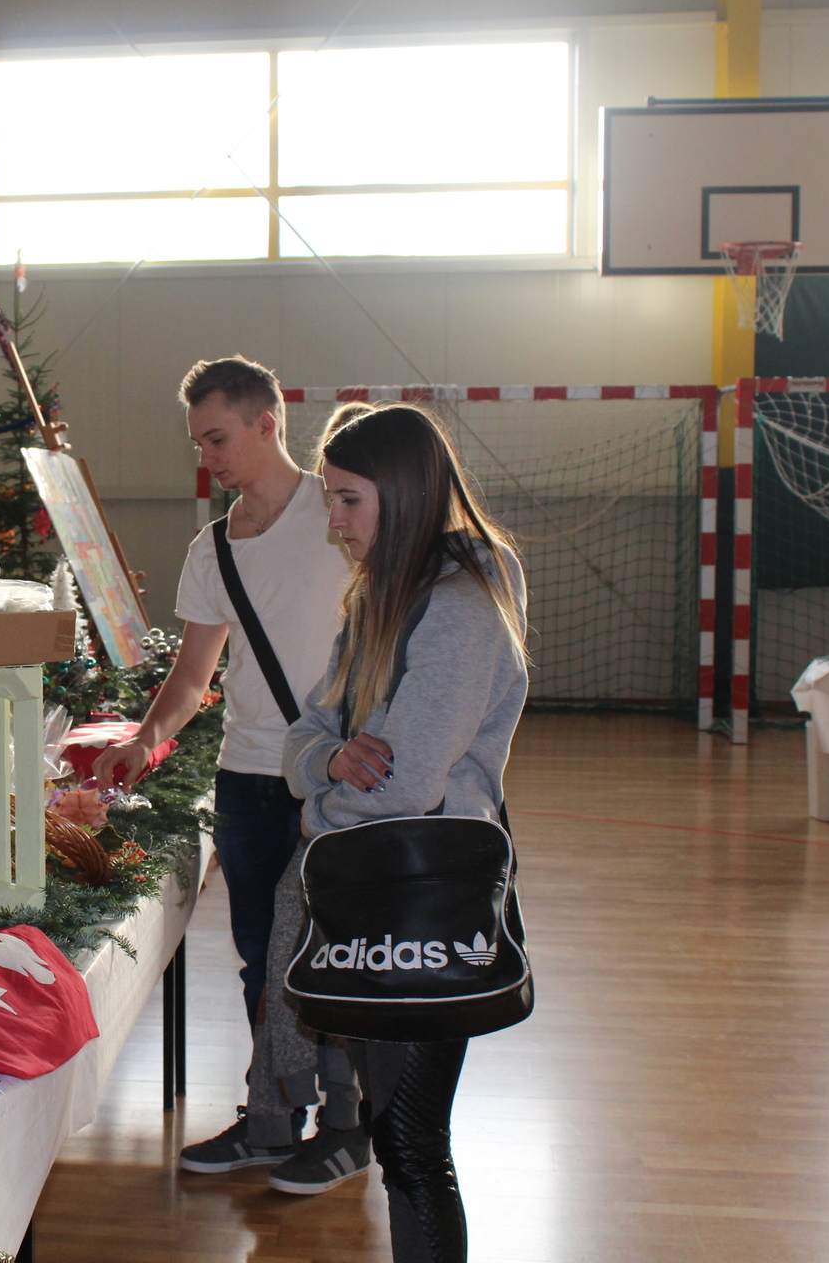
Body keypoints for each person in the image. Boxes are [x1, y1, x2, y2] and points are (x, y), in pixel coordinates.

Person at [90, 356, 361, 1191]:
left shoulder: (342, 513)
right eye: (197, 441)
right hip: (249, 777)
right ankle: (274, 1117)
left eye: (217, 437)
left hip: (343, 779)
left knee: (337, 953)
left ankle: (351, 1128)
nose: (206, 455)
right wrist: (145, 740)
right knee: (259, 956)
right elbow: (191, 677)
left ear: (267, 422)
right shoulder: (213, 548)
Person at [276, 402, 527, 1256]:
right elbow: (306, 733)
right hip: (378, 903)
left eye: (349, 500)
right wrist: (330, 761)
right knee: (401, 1143)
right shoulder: (380, 600)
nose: (334, 522)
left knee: (414, 1149)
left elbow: (408, 785)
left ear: (406, 493)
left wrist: (316, 807)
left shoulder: (459, 609)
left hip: (423, 907)